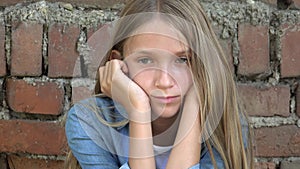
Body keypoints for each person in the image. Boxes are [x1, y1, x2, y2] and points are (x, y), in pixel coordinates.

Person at [65, 0, 253, 169]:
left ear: (203, 63)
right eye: (146, 60)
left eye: (182, 60)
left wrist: (196, 101)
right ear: (120, 65)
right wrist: (138, 109)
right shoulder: (89, 123)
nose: (164, 81)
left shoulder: (224, 126)